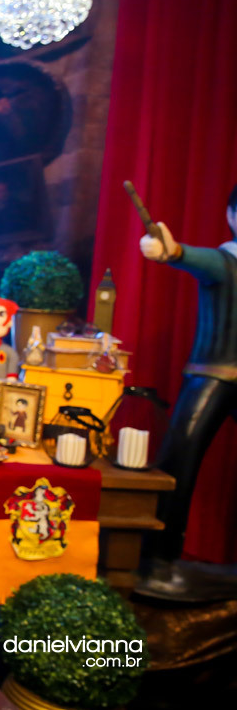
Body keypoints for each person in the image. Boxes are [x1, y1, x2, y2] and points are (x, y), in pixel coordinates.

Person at [135, 188, 237, 600]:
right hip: (212, 375)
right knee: (179, 465)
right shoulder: (226, 262)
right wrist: (172, 251)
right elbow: (196, 259)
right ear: (232, 216)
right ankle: (158, 561)